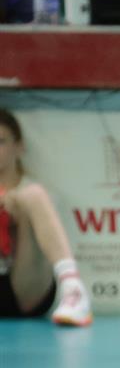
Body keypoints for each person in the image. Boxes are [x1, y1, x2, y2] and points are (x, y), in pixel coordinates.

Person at [0, 109, 92, 326]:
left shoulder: (40, 195)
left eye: (1, 142)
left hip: (25, 289)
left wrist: (16, 212)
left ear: (19, 146)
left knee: (32, 195)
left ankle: (73, 289)